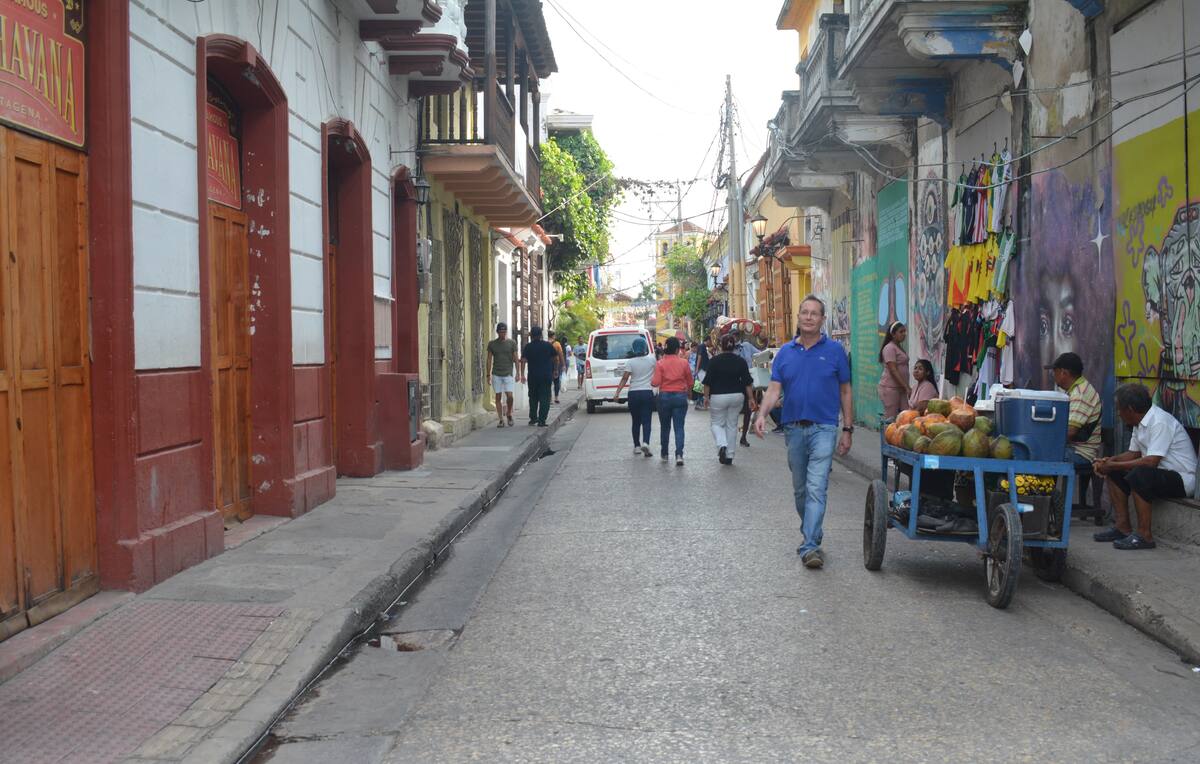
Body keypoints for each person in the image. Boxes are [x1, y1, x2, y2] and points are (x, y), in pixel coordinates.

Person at [755, 295, 853, 569]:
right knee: (800, 490)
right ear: (798, 317)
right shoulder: (785, 353)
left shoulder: (835, 351)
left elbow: (846, 391)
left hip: (824, 427)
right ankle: (813, 531)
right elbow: (775, 389)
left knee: (815, 487)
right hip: (794, 429)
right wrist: (762, 414)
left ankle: (810, 546)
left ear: (822, 320)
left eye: (815, 313)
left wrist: (847, 428)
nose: (809, 317)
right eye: (805, 313)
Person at [1092, 384, 1196, 550]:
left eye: (1120, 410)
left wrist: (1114, 464)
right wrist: (1109, 462)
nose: (1119, 414)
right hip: (1160, 474)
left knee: (1139, 474)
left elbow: (1150, 461)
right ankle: (1122, 528)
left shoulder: (1160, 422)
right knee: (1115, 471)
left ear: (1131, 409)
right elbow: (1133, 454)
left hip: (1182, 479)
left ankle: (1144, 536)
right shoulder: (1139, 422)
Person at [704, 334, 756, 465]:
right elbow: (747, 383)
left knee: (716, 423)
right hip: (737, 396)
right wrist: (751, 398)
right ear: (734, 346)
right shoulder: (741, 361)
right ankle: (730, 454)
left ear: (721, 345)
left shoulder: (714, 361)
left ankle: (722, 444)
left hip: (718, 396)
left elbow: (707, 382)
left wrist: (706, 397)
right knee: (732, 425)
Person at [1046, 352, 1101, 468]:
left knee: (1041, 455)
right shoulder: (1076, 390)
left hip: (1081, 453)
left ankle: (1044, 486)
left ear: (1064, 373)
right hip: (1074, 449)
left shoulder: (1080, 394)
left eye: (1055, 372)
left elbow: (1071, 431)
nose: (1053, 376)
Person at [612, 337, 658, 458]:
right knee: (647, 420)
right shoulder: (652, 360)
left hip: (634, 393)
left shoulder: (630, 362)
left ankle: (637, 446)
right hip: (647, 392)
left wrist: (617, 393)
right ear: (645, 347)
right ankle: (646, 443)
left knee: (635, 421)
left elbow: (625, 378)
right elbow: (658, 375)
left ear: (633, 348)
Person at [652, 337, 693, 465]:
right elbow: (690, 382)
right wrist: (689, 394)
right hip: (680, 397)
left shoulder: (660, 364)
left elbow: (655, 383)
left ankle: (664, 453)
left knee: (665, 427)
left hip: (664, 397)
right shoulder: (684, 363)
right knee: (679, 427)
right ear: (677, 349)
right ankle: (679, 454)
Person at [518, 326, 556, 427]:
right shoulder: (547, 345)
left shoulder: (528, 347)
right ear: (540, 335)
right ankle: (542, 420)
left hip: (533, 376)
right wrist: (555, 370)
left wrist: (522, 374)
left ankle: (533, 418)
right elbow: (555, 358)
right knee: (545, 398)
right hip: (545, 376)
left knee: (533, 397)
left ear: (531, 335)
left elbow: (523, 361)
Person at [486, 322, 518, 428]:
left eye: (504, 332)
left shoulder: (512, 343)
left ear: (506, 332)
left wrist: (518, 373)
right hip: (496, 373)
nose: (502, 334)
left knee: (510, 396)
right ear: (497, 332)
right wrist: (488, 374)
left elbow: (516, 359)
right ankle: (500, 419)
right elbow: (489, 359)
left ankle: (509, 413)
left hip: (508, 373)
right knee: (498, 397)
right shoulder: (492, 344)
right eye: (500, 332)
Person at [877, 321, 910, 420]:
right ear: (893, 334)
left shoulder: (898, 347)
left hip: (900, 389)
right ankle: (886, 435)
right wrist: (906, 386)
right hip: (891, 389)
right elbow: (893, 370)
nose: (904, 334)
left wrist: (905, 387)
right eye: (901, 332)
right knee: (891, 419)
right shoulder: (889, 348)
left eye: (904, 331)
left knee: (905, 417)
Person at [736, 333, 758, 446]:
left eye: (736, 335)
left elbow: (759, 354)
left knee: (748, 410)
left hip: (747, 381)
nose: (735, 338)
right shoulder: (729, 350)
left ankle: (743, 436)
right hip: (734, 383)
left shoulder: (747, 346)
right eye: (733, 335)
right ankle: (729, 435)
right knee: (733, 412)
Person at [548, 330, 565, 404]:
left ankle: (550, 399)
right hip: (556, 364)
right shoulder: (557, 344)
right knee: (556, 381)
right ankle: (556, 397)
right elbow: (561, 355)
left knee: (548, 382)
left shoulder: (545, 343)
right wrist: (563, 364)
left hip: (547, 364)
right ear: (553, 336)